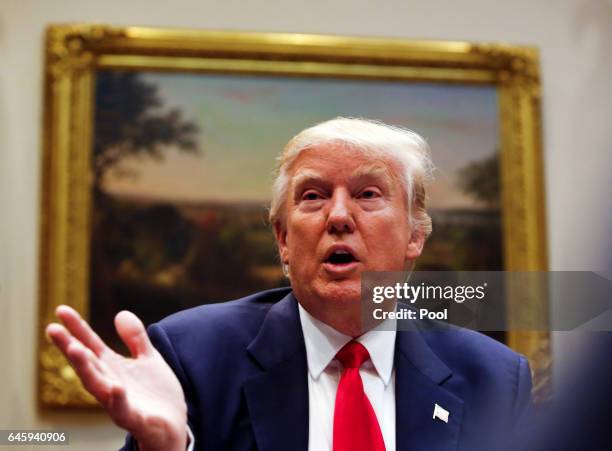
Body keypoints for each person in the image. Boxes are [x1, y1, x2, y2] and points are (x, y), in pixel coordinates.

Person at [46, 117, 532, 451]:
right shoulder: (192, 357)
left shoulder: (493, 378)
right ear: (282, 238)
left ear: (415, 236)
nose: (339, 216)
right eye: (314, 196)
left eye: (367, 194)